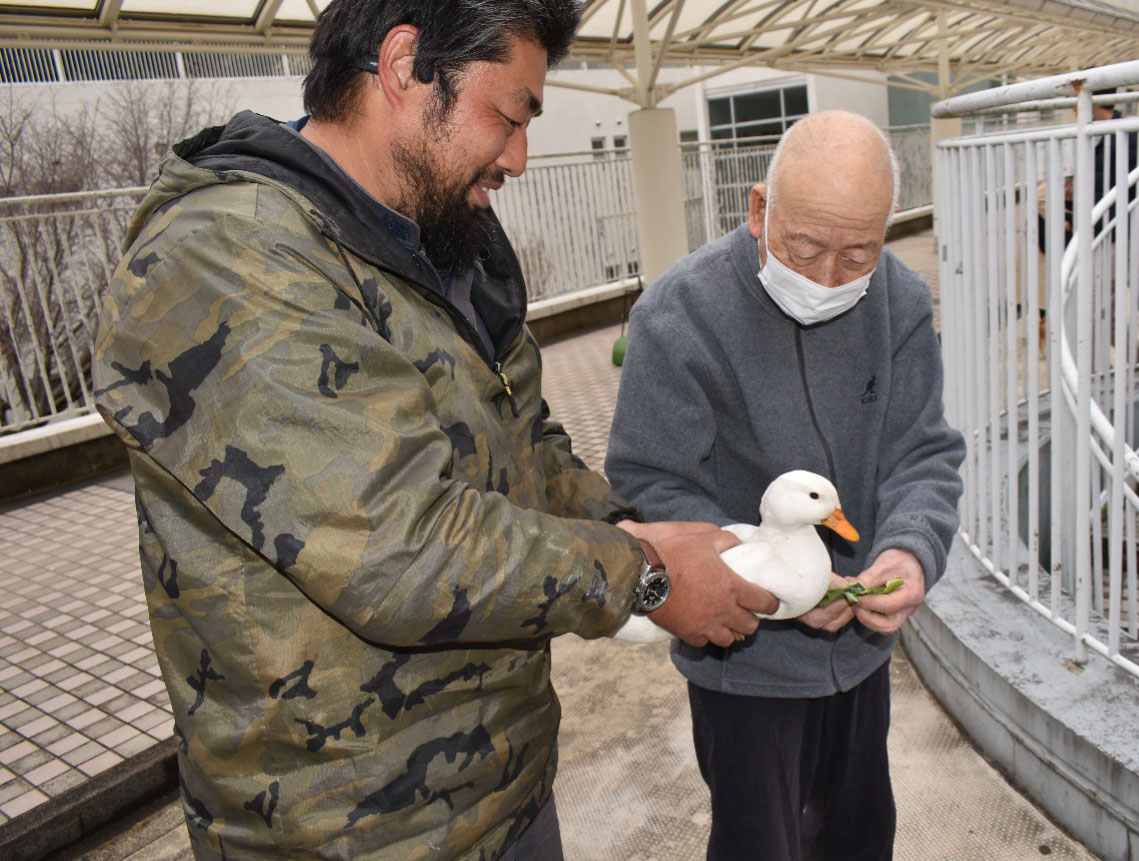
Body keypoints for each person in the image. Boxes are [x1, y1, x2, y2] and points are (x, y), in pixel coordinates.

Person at [92, 1, 776, 857]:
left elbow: (525, 443)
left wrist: (653, 533)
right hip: (346, 828)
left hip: (502, 788)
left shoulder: (448, 245)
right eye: (509, 114)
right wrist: (643, 575)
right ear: (406, 65)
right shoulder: (233, 253)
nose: (520, 157)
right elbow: (399, 545)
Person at [605, 110, 966, 860]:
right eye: (804, 248)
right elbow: (650, 480)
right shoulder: (679, 315)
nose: (828, 278)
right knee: (757, 843)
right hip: (742, 663)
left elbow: (922, 451)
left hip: (861, 656)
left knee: (861, 834)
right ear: (759, 209)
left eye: (857, 253)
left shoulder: (899, 301)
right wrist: (780, 585)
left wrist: (909, 549)